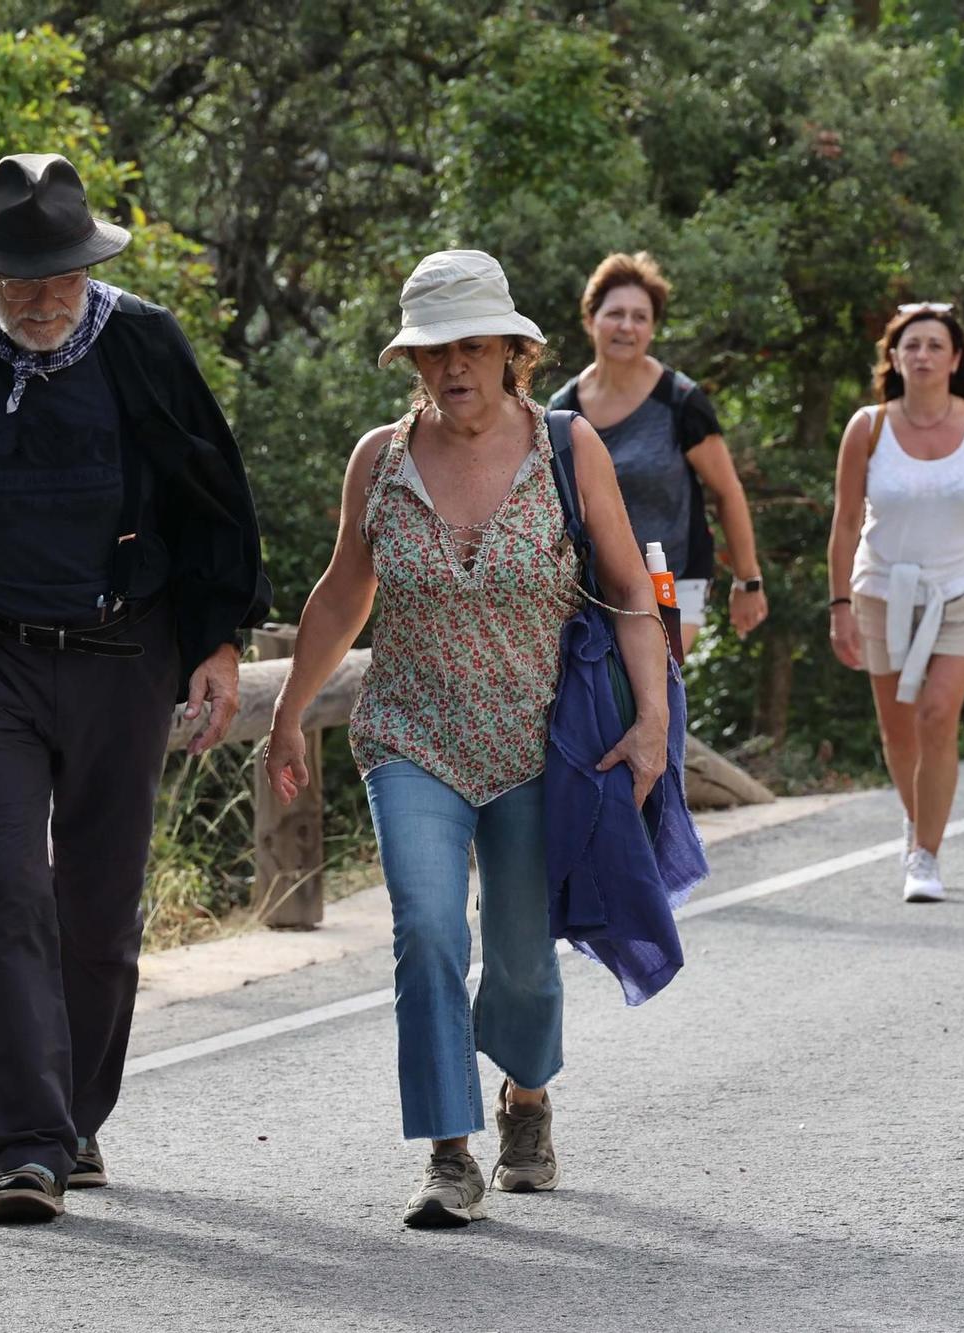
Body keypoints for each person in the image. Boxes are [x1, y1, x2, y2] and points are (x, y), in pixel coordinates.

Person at [0, 153, 269, 1221]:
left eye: (59, 276)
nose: (40, 298)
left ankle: (74, 1123)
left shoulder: (143, 345)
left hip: (126, 658)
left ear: (89, 267)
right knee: (9, 887)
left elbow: (216, 504)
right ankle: (23, 1149)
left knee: (99, 908)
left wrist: (218, 650)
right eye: (19, 278)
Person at [261, 250, 669, 1229]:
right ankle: (447, 1151)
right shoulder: (380, 459)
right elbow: (339, 594)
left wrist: (651, 719)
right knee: (429, 932)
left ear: (512, 353)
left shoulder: (569, 450)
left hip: (536, 746)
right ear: (413, 361)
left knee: (522, 962)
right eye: (434, 351)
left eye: (473, 347)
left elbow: (628, 589)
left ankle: (524, 1101)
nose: (453, 367)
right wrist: (285, 711)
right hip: (411, 739)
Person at [826, 303, 964, 904]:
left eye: (934, 346)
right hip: (882, 590)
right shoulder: (866, 427)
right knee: (899, 731)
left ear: (956, 358)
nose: (922, 355)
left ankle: (925, 854)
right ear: (893, 358)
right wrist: (839, 604)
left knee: (937, 714)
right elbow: (845, 524)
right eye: (910, 345)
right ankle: (917, 820)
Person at [549, 252, 767, 655]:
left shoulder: (681, 401)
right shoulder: (562, 412)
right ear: (590, 320)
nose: (626, 327)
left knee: (660, 692)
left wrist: (747, 581)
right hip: (597, 588)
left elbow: (727, 491)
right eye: (615, 314)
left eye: (640, 317)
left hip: (675, 577)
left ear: (652, 329)